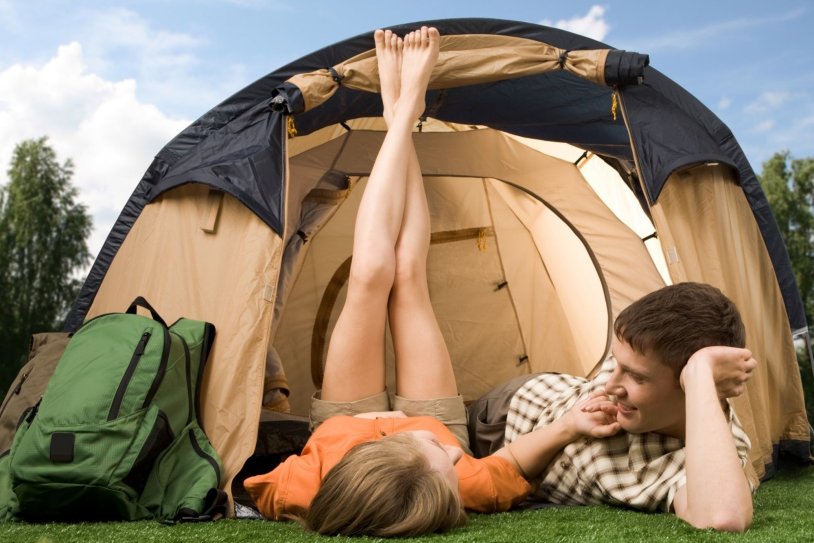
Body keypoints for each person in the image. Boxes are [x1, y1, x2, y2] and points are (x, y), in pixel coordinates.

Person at [244, 26, 621, 538]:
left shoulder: (300, 487)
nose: (457, 453)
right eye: (454, 463)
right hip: (430, 416)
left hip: (341, 426)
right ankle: (404, 109)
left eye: (446, 457)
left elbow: (259, 486)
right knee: (408, 275)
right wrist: (571, 425)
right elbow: (510, 464)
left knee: (370, 276)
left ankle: (401, 110)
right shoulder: (462, 483)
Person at [474, 281, 757, 532]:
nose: (610, 385)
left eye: (637, 377)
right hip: (508, 415)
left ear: (690, 388)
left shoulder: (702, 464)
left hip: (517, 468)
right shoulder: (641, 357)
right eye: (615, 362)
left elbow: (723, 517)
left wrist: (700, 371)